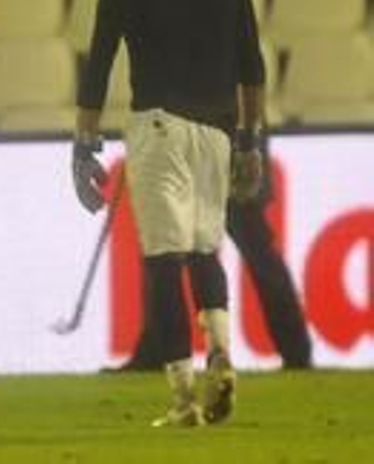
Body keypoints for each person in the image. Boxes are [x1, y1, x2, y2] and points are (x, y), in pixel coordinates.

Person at [74, 0, 264, 428]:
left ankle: (183, 397)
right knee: (206, 252)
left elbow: (99, 69)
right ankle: (223, 356)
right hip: (218, 131)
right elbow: (253, 70)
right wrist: (251, 141)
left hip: (158, 125)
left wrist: (84, 145)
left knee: (162, 261)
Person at [113, 152, 313, 372]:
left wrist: (247, 145)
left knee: (245, 250)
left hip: (222, 150)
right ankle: (295, 352)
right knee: (248, 251)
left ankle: (295, 351)